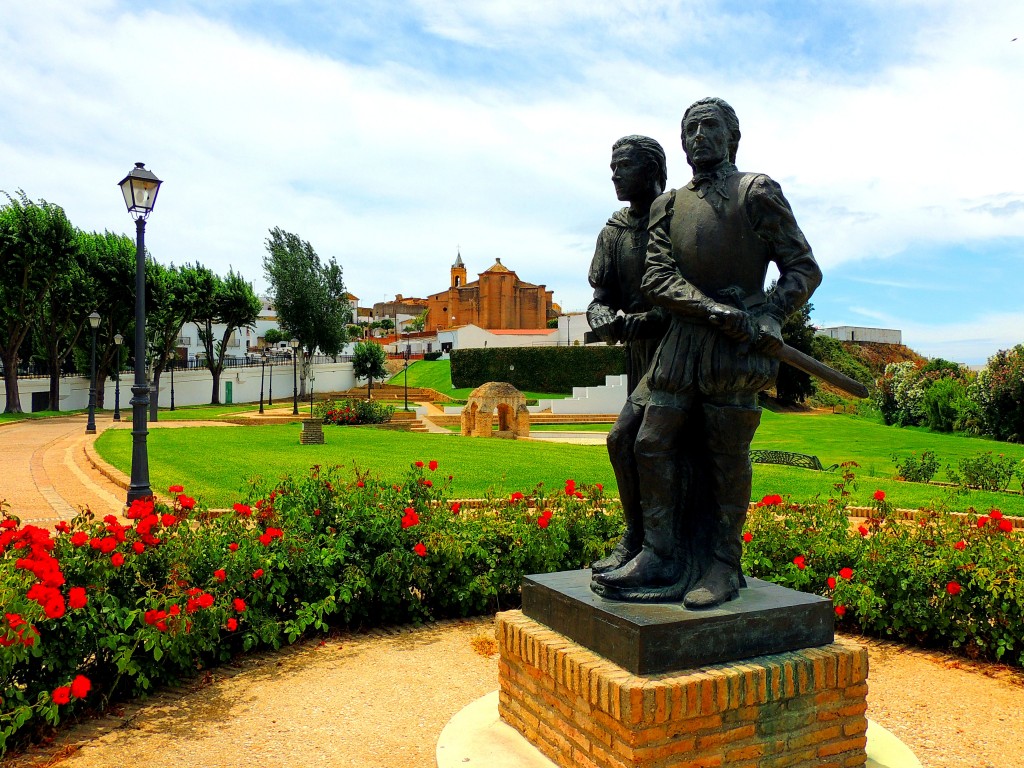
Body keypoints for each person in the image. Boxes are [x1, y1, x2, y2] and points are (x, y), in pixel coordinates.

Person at [592, 98, 822, 609]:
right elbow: (656, 276)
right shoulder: (667, 205)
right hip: (683, 343)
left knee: (726, 455)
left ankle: (723, 564)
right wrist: (709, 309)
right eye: (690, 128)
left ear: (732, 138)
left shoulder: (756, 192)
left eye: (710, 127)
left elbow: (802, 269)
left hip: (734, 351)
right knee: (648, 441)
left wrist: (768, 315)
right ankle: (660, 552)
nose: (698, 136)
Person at [586, 135, 669, 574]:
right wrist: (601, 317)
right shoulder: (613, 232)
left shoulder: (675, 219)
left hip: (674, 349)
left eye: (623, 166)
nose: (614, 174)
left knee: (630, 439)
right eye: (612, 166)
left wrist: (656, 317)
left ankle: (650, 543)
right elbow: (600, 297)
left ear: (652, 170)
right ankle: (640, 538)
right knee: (631, 443)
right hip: (637, 354)